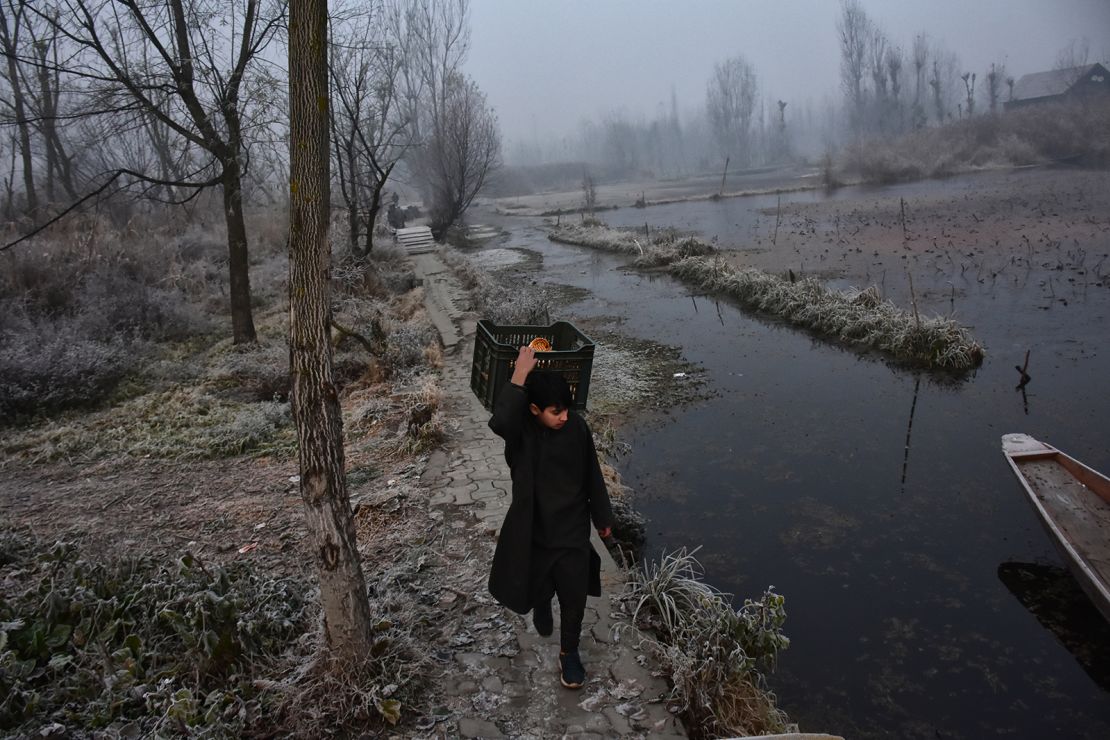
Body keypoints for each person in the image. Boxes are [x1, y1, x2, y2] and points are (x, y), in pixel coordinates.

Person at [487, 345, 614, 690]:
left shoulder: (577, 430)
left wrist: (603, 518)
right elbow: (500, 421)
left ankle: (569, 652)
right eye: (555, 411)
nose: (564, 417)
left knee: (574, 595)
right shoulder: (521, 436)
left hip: (572, 531)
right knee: (540, 583)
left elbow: (593, 475)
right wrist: (519, 373)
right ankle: (542, 603)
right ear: (534, 409)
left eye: (567, 409)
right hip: (535, 531)